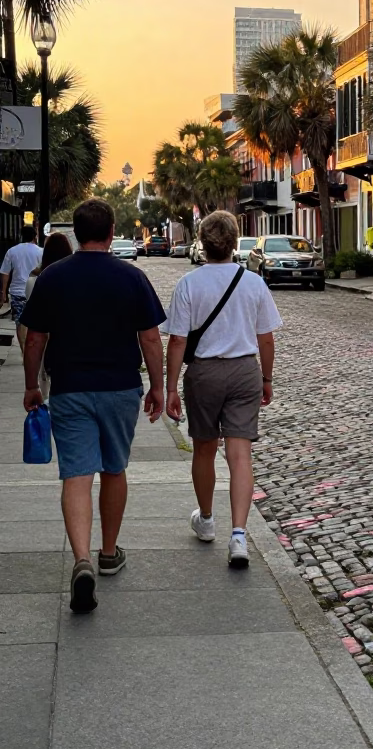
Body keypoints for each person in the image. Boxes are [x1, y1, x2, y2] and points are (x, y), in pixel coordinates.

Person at [21, 199, 165, 614]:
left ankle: (80, 558)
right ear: (111, 230)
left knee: (77, 475)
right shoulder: (132, 277)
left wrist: (33, 386)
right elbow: (151, 339)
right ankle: (107, 552)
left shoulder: (53, 277)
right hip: (120, 387)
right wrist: (157, 386)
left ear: (79, 233)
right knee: (114, 468)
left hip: (69, 388)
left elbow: (34, 339)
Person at [162, 210, 282, 567]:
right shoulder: (253, 283)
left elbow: (178, 342)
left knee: (203, 449)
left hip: (204, 373)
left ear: (201, 243)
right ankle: (240, 535)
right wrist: (266, 379)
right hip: (245, 370)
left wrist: (170, 388)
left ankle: (208, 519)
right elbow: (266, 340)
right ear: (234, 244)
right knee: (240, 454)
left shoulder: (189, 285)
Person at [23, 232, 74, 399]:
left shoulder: (36, 279)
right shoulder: (74, 277)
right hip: (68, 338)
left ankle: (46, 401)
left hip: (45, 334)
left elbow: (33, 323)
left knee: (45, 376)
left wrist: (31, 387)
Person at [1, 226, 42, 353]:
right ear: (35, 236)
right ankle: (32, 350)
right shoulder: (41, 251)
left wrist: (3, 293)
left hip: (17, 292)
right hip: (35, 292)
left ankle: (24, 351)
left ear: (21, 236)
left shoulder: (12, 251)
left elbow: (5, 273)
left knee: (20, 322)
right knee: (35, 323)